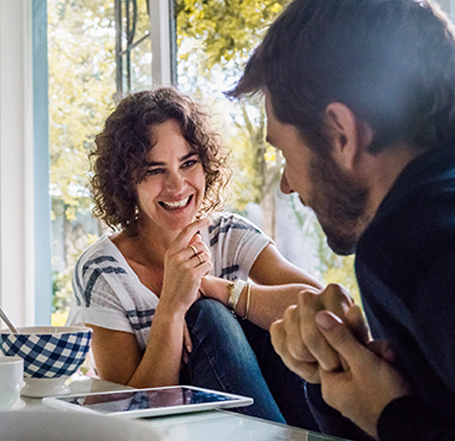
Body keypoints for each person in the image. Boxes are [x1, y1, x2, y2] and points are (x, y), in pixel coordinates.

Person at [227, 0, 455, 439]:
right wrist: (341, 381)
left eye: (284, 153)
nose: (287, 186)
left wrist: (389, 417)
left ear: (341, 134)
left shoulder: (407, 241)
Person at [66, 87, 321, 428]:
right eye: (154, 170)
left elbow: (324, 309)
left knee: (258, 317)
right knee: (208, 316)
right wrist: (172, 308)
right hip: (171, 431)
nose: (177, 185)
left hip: (280, 416)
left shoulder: (228, 235)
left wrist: (215, 288)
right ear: (127, 181)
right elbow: (129, 417)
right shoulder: (103, 270)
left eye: (188, 163)